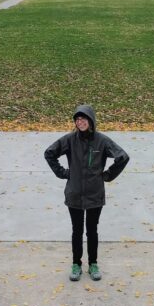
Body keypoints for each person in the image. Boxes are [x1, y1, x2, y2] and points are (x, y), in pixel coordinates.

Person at [44, 104, 129, 282]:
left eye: (83, 118)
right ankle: (76, 264)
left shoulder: (102, 141)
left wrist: (107, 175)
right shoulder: (69, 140)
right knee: (77, 231)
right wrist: (63, 173)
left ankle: (93, 264)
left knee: (92, 230)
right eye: (77, 119)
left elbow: (122, 157)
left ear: (91, 121)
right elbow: (49, 153)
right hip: (74, 193)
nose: (80, 121)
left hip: (94, 195)